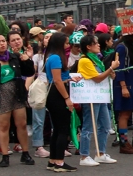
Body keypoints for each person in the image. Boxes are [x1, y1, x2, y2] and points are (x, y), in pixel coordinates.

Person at [0, 33, 36, 168]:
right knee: (4, 126)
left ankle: (25, 153)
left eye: (4, 41)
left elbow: (29, 72)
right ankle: (5, 155)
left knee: (21, 124)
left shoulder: (15, 57)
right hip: (1, 95)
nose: (2, 44)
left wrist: (26, 59)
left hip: (17, 94)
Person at [76, 35, 120, 166]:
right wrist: (111, 68)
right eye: (95, 43)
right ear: (88, 47)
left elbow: (105, 76)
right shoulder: (84, 60)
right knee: (88, 127)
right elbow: (97, 78)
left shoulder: (96, 60)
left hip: (100, 97)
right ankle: (84, 156)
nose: (98, 45)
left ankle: (100, 153)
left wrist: (112, 72)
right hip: (90, 97)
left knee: (105, 126)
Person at [43, 32, 80, 172]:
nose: (68, 45)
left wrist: (70, 78)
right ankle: (59, 161)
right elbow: (57, 81)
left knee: (57, 129)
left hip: (54, 93)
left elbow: (58, 79)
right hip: (58, 94)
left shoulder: (50, 57)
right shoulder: (57, 58)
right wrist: (67, 98)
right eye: (65, 43)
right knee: (63, 129)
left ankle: (53, 160)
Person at [31, 30, 53, 159]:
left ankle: (58, 145)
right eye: (46, 37)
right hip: (41, 87)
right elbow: (32, 73)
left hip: (54, 86)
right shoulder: (37, 57)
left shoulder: (59, 55)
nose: (48, 39)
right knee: (39, 118)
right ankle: (38, 146)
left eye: (51, 37)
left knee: (56, 117)